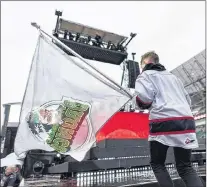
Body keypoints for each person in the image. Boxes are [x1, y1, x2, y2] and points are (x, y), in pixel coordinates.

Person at [134, 51, 203, 187]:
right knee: (185, 166)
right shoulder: (174, 78)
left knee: (157, 163)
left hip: (163, 121)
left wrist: (139, 101)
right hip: (186, 121)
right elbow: (187, 100)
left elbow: (144, 100)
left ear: (146, 63)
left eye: (142, 65)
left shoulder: (145, 75)